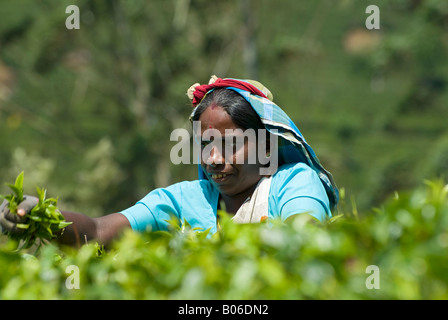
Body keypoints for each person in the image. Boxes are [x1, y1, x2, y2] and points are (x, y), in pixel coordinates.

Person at [0, 76, 338, 247]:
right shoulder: (182, 201)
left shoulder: (294, 183)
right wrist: (41, 215)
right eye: (206, 145)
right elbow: (98, 231)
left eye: (232, 145)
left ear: (266, 148)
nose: (215, 159)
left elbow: (305, 241)